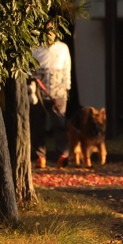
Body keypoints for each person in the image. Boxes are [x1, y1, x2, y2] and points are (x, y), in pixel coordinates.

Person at [29, 31, 72, 168]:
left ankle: (62, 156)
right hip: (38, 93)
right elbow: (27, 69)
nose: (50, 34)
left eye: (52, 31)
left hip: (58, 92)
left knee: (60, 124)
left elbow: (67, 69)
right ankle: (40, 157)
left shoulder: (62, 48)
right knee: (37, 126)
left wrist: (66, 88)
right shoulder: (34, 48)